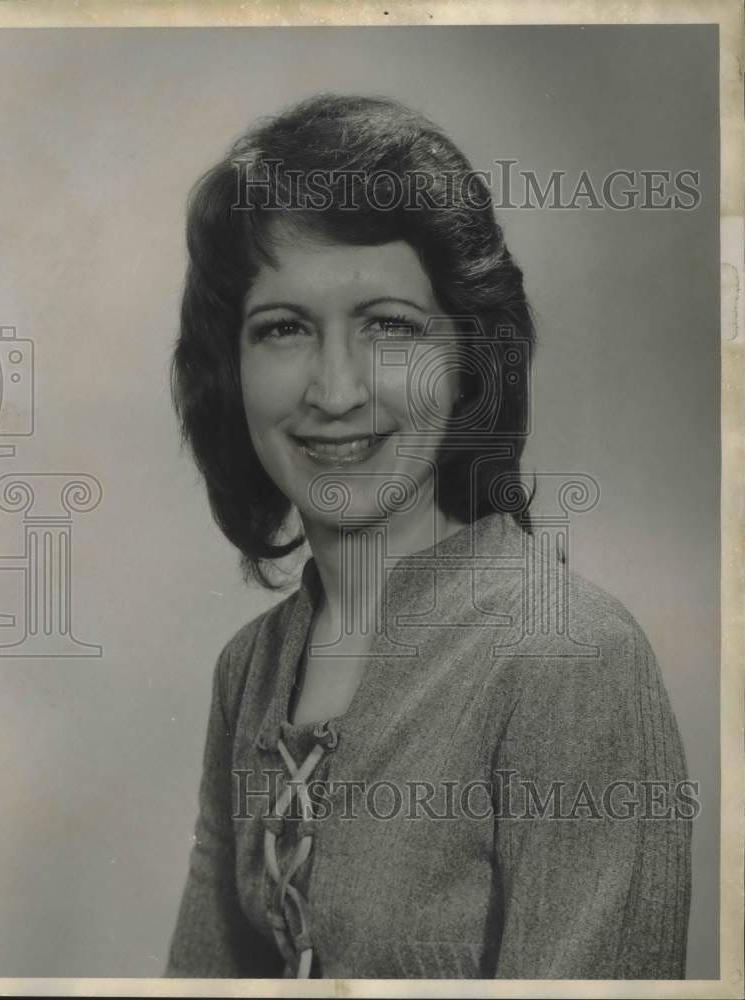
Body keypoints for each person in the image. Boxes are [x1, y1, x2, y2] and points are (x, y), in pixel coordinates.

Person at [164, 94, 692, 980]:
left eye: (390, 328)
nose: (334, 390)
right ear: (233, 367)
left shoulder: (569, 659)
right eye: (283, 328)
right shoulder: (250, 669)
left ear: (467, 360)